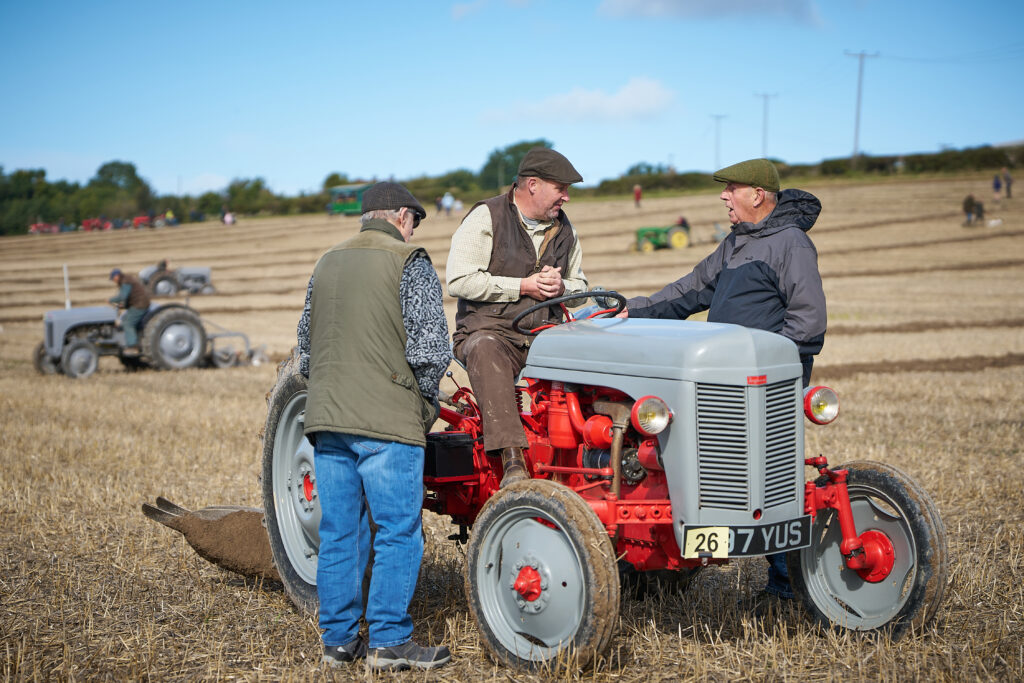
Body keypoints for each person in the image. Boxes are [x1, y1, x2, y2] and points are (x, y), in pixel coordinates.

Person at [619, 158, 826, 607]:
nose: (723, 196)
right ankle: (658, 561)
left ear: (757, 195)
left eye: (731, 188)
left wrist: (765, 372)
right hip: (720, 384)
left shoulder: (791, 243)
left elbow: (808, 324)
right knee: (708, 473)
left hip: (763, 388)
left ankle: (785, 586)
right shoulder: (735, 244)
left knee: (766, 480)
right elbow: (689, 291)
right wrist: (629, 311)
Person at [296, 181, 452, 671]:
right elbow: (431, 351)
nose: (414, 231)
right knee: (397, 531)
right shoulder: (410, 262)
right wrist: (423, 404)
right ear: (403, 217)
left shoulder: (326, 262)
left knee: (340, 531)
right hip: (387, 422)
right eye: (415, 222)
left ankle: (338, 643)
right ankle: (389, 641)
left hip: (327, 418)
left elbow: (305, 346)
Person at [447, 147, 588, 487]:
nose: (566, 198)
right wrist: (523, 285)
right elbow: (459, 280)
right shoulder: (487, 216)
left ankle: (587, 455)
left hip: (543, 332)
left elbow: (581, 284)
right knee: (486, 348)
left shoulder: (564, 230)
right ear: (534, 185)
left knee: (591, 352)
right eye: (561, 188)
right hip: (490, 329)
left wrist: (562, 287)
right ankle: (513, 463)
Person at [108, 268, 152, 351]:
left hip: (140, 305)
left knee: (128, 323)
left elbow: (122, 296)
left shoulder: (126, 282)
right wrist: (122, 305)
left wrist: (110, 300)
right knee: (124, 319)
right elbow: (128, 297)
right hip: (138, 303)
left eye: (113, 279)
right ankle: (126, 341)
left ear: (116, 276)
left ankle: (133, 346)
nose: (113, 281)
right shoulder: (126, 280)